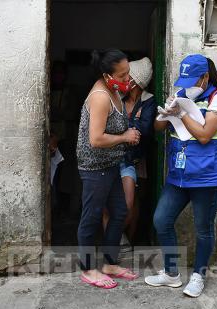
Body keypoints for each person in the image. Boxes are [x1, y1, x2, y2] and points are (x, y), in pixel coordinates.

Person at [144, 54, 217, 298]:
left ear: (205, 77)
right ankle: (171, 273)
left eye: (194, 80)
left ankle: (198, 276)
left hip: (207, 176)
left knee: (203, 229)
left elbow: (205, 135)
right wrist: (167, 112)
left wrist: (182, 114)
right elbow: (158, 129)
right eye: (185, 80)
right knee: (161, 220)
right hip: (179, 174)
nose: (188, 85)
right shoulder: (182, 95)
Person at [76, 49, 141, 289]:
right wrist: (125, 136)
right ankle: (88, 269)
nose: (127, 79)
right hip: (94, 167)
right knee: (91, 217)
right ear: (107, 75)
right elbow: (95, 139)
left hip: (111, 163)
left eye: (128, 73)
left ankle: (109, 263)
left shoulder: (114, 90)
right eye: (122, 76)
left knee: (120, 211)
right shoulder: (101, 96)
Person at [102, 57, 157, 246]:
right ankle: (114, 243)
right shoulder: (116, 97)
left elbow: (144, 130)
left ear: (135, 81)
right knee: (107, 206)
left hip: (133, 159)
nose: (124, 79)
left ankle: (126, 240)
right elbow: (107, 126)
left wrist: (126, 128)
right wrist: (131, 127)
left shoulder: (148, 101)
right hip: (111, 157)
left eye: (127, 76)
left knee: (130, 204)